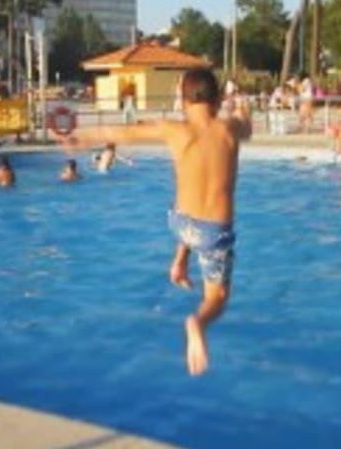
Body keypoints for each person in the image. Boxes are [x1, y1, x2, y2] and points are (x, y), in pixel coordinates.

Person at [59, 67, 253, 376]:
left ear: (183, 100)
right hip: (214, 233)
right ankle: (196, 323)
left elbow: (122, 133)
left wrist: (82, 136)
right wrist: (243, 111)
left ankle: (179, 262)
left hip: (179, 222)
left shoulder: (173, 130)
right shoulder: (228, 129)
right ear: (215, 100)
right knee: (217, 297)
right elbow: (247, 128)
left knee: (188, 215)